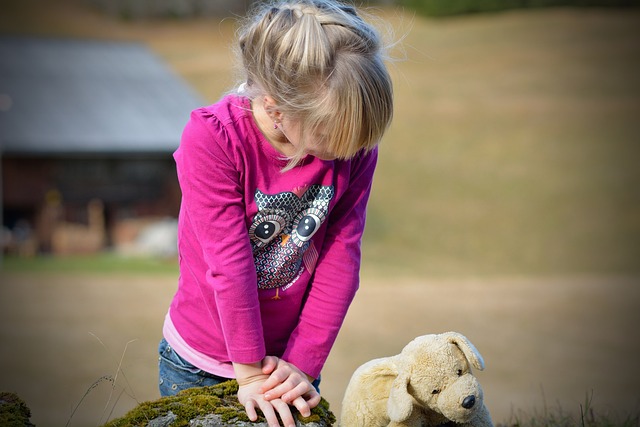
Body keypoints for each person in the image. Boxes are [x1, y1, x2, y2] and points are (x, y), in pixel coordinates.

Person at [158, 0, 393, 426]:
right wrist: (247, 373)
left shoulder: (352, 147)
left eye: (358, 139)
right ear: (276, 109)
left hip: (288, 367)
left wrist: (303, 363)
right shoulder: (213, 140)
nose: (348, 152)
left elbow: (342, 257)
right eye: (330, 135)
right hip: (201, 362)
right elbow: (229, 265)